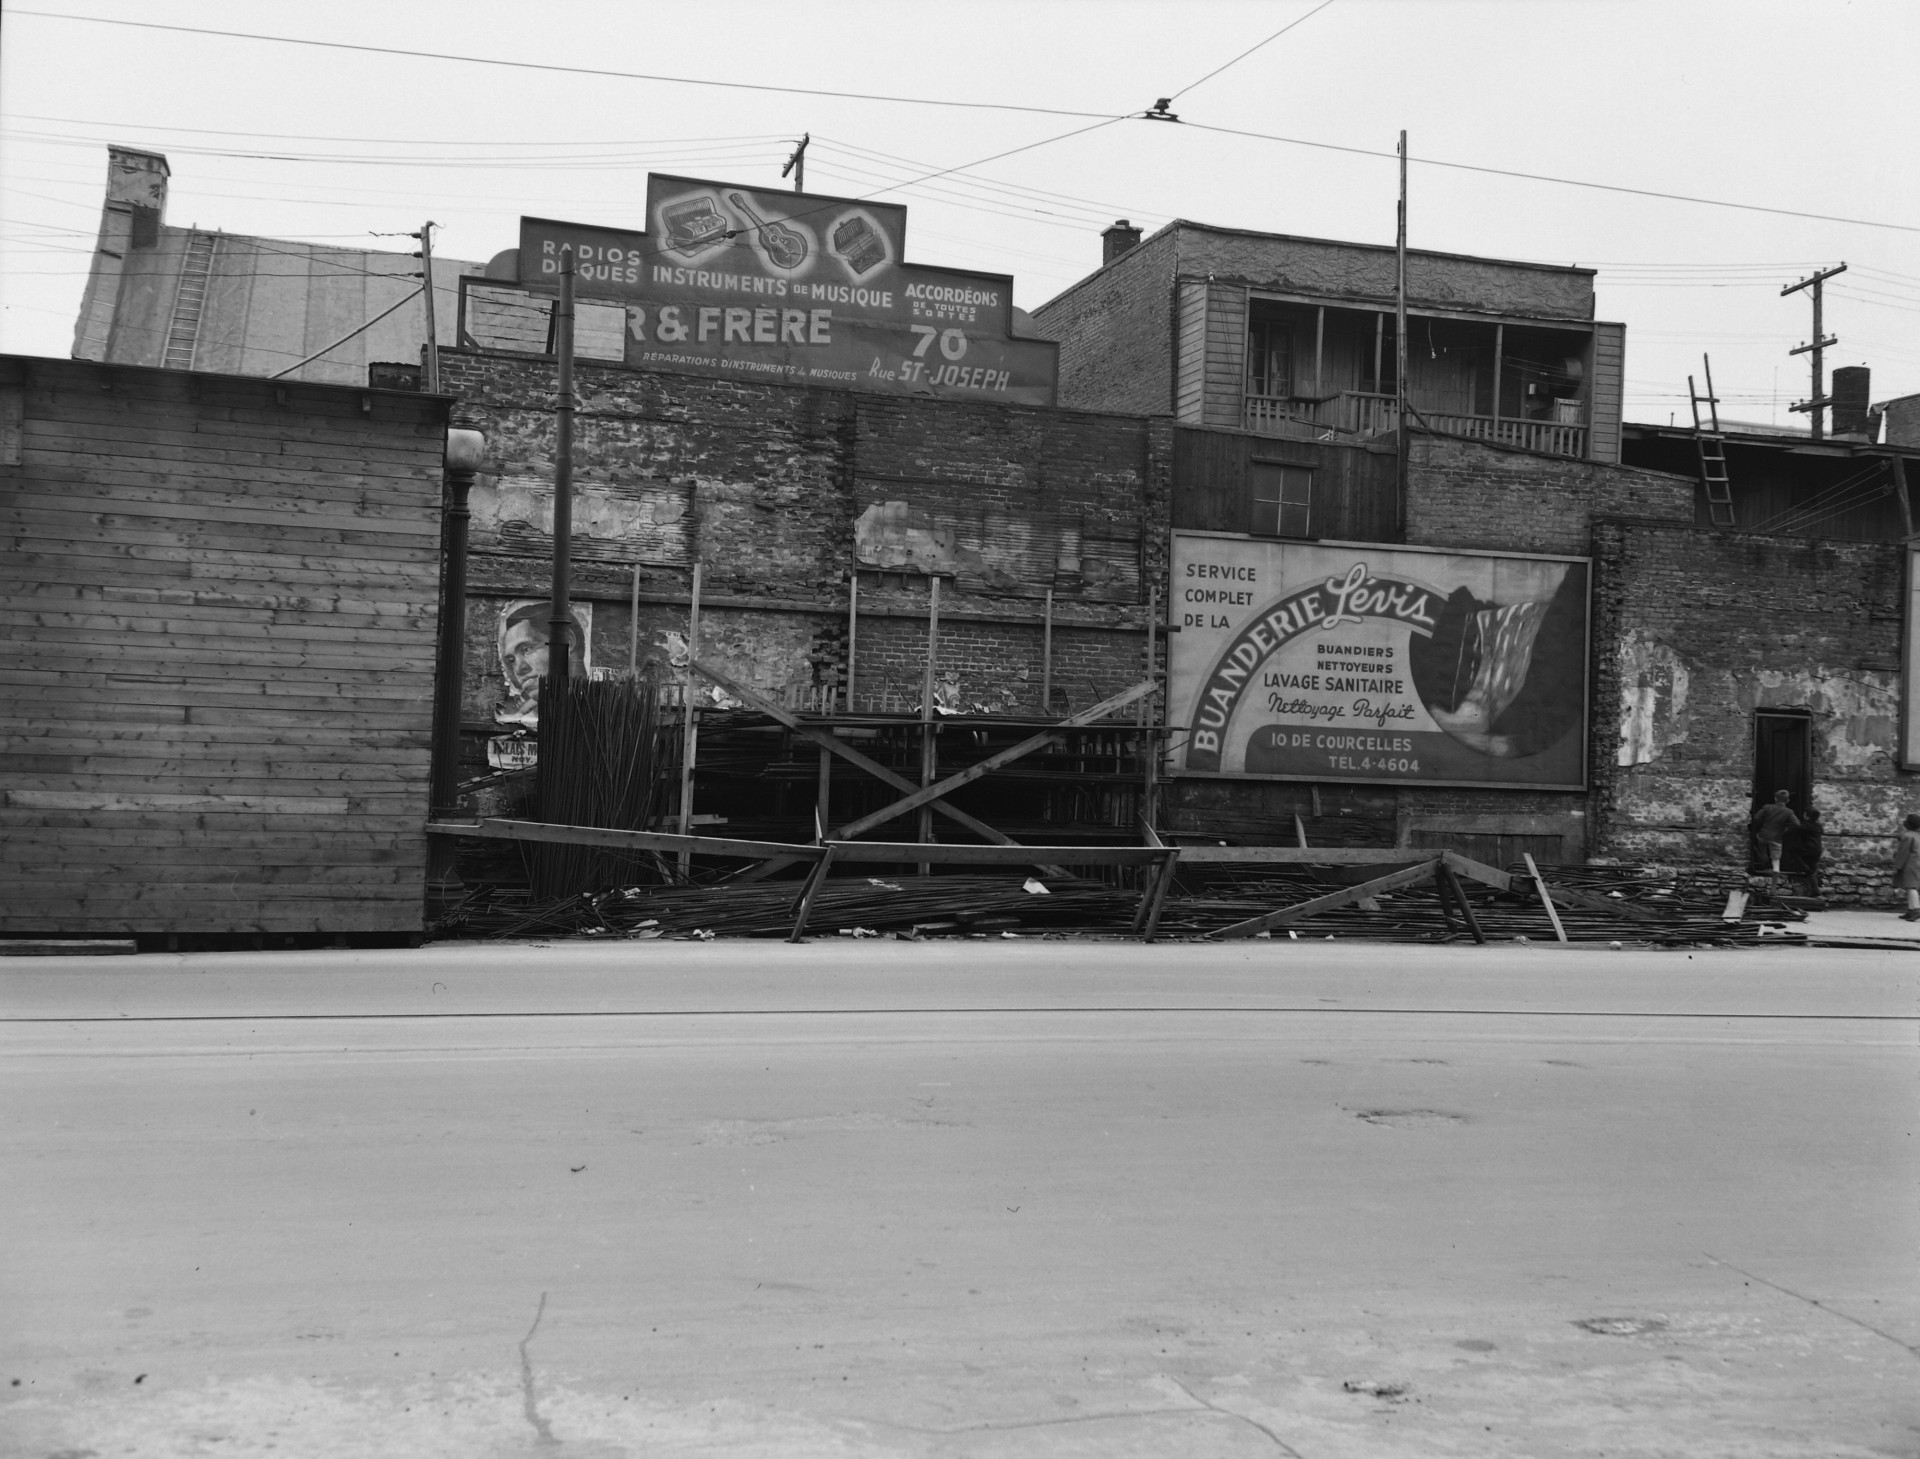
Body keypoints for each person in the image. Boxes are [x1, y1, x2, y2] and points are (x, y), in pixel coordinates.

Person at [1750, 789, 1799, 876]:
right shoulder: (1789, 812)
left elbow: (1756, 818)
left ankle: (1765, 866)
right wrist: (1786, 829)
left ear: (1775, 798)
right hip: (1776, 838)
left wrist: (1761, 825)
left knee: (1762, 850)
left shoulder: (1767, 807)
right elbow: (1797, 824)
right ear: (1788, 800)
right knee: (1776, 860)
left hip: (1763, 835)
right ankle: (1775, 880)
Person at [1893, 813, 1920, 921]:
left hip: (1910, 864)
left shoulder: (1907, 836)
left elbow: (1903, 853)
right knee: (1910, 887)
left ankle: (1916, 910)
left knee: (1911, 887)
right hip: (1917, 863)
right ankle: (1911, 910)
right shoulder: (1918, 835)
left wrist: (1897, 866)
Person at [1793, 808, 1824, 896]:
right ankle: (1812, 890)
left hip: (1808, 848)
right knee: (1812, 868)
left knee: (1794, 853)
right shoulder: (1819, 826)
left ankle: (1815, 889)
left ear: (1807, 816)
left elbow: (1796, 829)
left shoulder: (1805, 826)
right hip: (1818, 850)